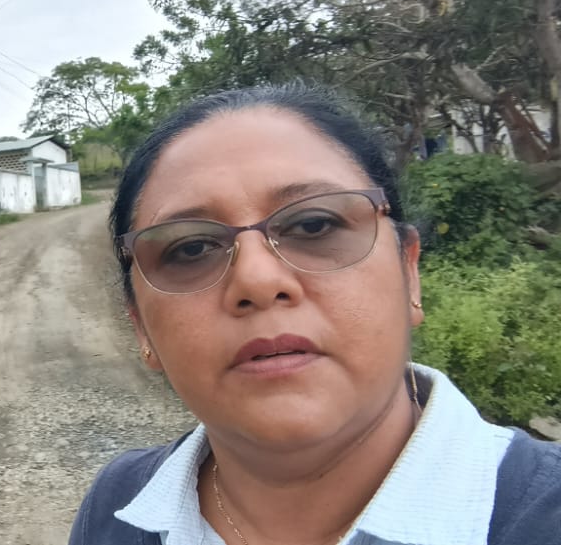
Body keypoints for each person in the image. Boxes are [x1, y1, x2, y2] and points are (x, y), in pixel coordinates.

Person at [70, 83, 560, 545]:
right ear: (142, 327)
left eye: (314, 224)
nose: (258, 281)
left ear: (408, 272)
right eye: (191, 248)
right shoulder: (117, 509)